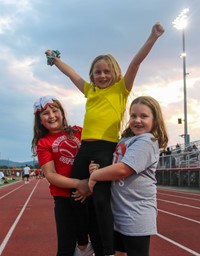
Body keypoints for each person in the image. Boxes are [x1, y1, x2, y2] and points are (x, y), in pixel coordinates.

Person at [45, 22, 165, 256]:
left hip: (105, 149)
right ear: (93, 75)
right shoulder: (90, 91)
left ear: (115, 73)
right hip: (85, 149)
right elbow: (73, 75)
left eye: (106, 71)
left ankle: (107, 251)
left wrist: (153, 37)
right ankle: (83, 244)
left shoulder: (121, 90)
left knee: (100, 201)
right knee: (76, 196)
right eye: (98, 72)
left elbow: (136, 63)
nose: (102, 75)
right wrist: (55, 60)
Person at [89, 96, 168, 256]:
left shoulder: (147, 141)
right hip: (119, 211)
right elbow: (113, 165)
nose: (137, 120)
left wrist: (95, 175)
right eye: (133, 116)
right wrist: (96, 168)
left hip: (136, 214)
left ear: (155, 120)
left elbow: (123, 169)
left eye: (144, 116)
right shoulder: (126, 140)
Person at [31, 96, 95, 256]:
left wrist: (89, 183)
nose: (51, 116)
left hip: (89, 195)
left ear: (62, 113)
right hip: (64, 198)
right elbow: (51, 175)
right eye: (46, 113)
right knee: (66, 248)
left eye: (55, 110)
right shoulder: (44, 143)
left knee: (97, 241)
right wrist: (79, 184)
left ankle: (84, 248)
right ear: (40, 120)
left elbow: (95, 155)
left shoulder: (79, 131)